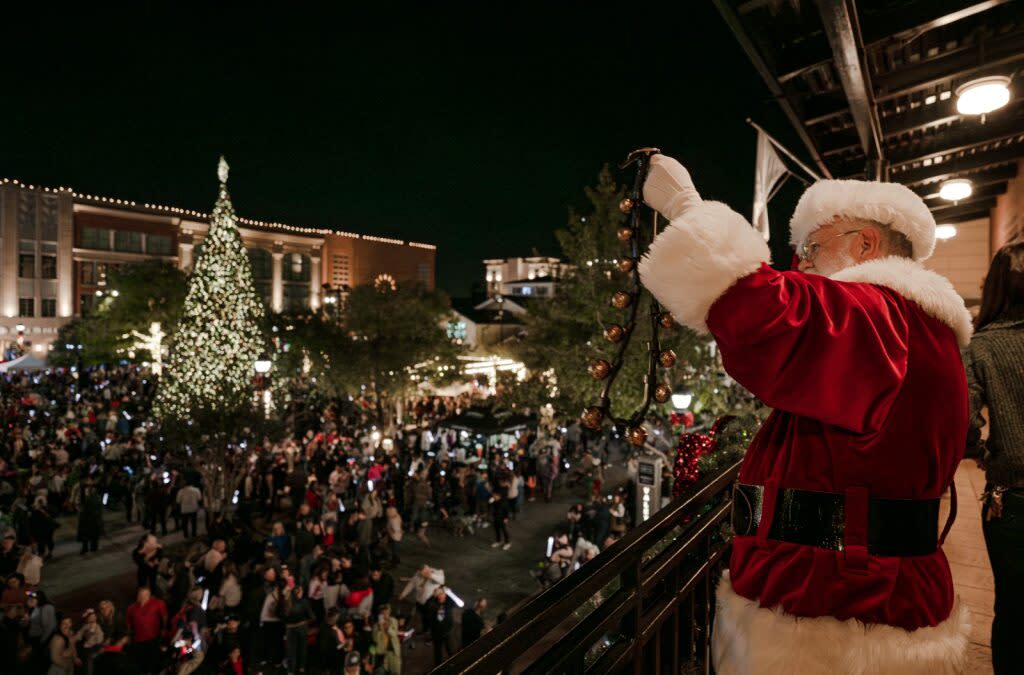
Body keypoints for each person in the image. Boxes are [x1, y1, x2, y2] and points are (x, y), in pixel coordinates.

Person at [639, 154, 973, 672]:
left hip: (835, 605)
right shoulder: (915, 326)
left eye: (814, 247)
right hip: (863, 591)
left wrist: (686, 207)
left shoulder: (879, 314)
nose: (801, 262)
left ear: (866, 244)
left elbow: (760, 309)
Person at [963, 240, 1024, 674]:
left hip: (1013, 498)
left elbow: (962, 421)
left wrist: (983, 454)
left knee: (1015, 613)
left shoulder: (982, 345)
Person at [125, 586, 167, 673]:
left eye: (145, 595)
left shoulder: (158, 603)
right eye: (140, 595)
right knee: (140, 660)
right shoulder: (131, 608)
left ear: (149, 595)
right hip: (138, 639)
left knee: (152, 658)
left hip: (153, 638)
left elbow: (164, 616)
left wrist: (164, 628)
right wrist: (129, 636)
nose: (142, 597)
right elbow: (128, 623)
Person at [424, 585, 455, 666]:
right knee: (437, 651)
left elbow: (455, 602)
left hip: (447, 631)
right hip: (436, 632)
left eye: (443, 593)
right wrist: (433, 595)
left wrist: (450, 593)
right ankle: (438, 667)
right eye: (440, 594)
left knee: (450, 649)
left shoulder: (448, 602)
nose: (441, 595)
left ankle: (454, 663)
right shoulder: (433, 603)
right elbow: (427, 606)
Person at [371, 603, 401, 674]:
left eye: (387, 613)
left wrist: (388, 629)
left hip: (393, 651)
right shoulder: (376, 625)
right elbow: (375, 640)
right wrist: (380, 629)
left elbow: (395, 634)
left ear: (389, 613)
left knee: (395, 672)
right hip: (382, 654)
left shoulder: (394, 621)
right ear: (380, 615)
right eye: (383, 613)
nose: (385, 615)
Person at [77, 484, 104, 554]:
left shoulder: (96, 497)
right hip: (87, 518)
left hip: (92, 518)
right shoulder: (85, 497)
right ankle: (87, 548)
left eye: (91, 489)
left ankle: (91, 547)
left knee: (92, 534)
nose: (89, 490)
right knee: (87, 534)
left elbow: (100, 509)